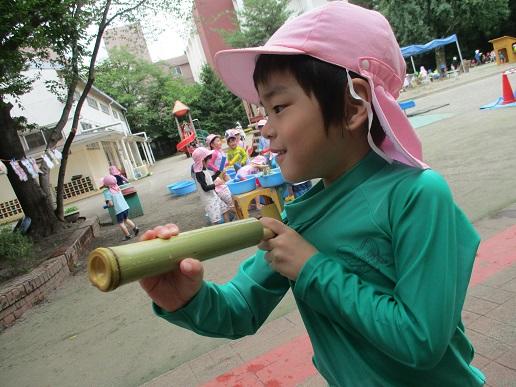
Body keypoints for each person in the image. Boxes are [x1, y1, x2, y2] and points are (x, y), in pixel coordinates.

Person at [139, 3, 484, 386]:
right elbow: (240, 310)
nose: (265, 130)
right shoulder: (299, 217)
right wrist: (186, 298)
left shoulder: (416, 195)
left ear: (354, 106)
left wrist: (312, 268)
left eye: (279, 107)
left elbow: (421, 339)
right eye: (264, 112)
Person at [190, 147, 231, 224]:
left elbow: (210, 180)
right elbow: (205, 188)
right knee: (216, 220)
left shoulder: (203, 170)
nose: (210, 161)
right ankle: (218, 233)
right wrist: (215, 184)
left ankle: (229, 225)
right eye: (209, 159)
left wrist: (218, 173)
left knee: (225, 210)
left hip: (214, 196)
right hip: (209, 201)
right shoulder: (199, 173)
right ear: (202, 160)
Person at [102, 175, 139, 241]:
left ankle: (128, 235)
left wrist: (107, 203)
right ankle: (135, 228)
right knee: (126, 219)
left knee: (121, 223)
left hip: (119, 210)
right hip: (125, 207)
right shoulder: (117, 188)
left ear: (106, 184)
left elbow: (111, 204)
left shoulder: (107, 192)